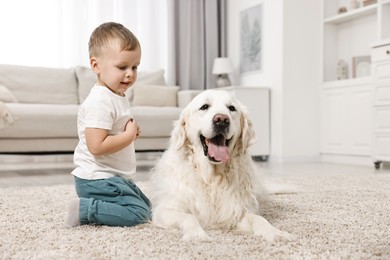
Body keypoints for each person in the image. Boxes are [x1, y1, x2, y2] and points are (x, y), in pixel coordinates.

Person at [66, 22, 152, 227]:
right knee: (139, 214)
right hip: (97, 180)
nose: (130, 73)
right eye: (122, 67)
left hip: (113, 178)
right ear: (96, 65)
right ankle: (85, 209)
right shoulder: (100, 101)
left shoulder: (115, 95)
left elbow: (112, 131)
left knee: (148, 207)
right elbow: (97, 146)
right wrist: (128, 136)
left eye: (135, 67)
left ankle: (98, 205)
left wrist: (127, 132)